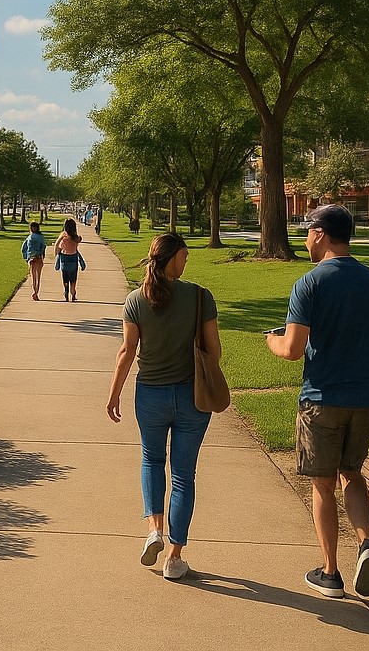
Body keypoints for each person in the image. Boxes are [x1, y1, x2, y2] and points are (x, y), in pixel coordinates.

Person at [266, 204, 369, 600]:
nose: (305, 238)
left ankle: (330, 573)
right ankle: (366, 544)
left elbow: (292, 349)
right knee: (353, 475)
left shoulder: (310, 284)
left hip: (321, 402)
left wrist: (271, 341)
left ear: (321, 233)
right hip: (364, 402)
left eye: (308, 230)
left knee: (323, 485)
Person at [106, 233, 220, 581]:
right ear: (171, 258)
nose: (187, 262)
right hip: (192, 397)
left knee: (152, 460)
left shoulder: (135, 300)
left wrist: (113, 395)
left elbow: (127, 352)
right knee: (184, 476)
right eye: (184, 256)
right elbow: (214, 353)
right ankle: (174, 557)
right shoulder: (200, 297)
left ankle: (154, 530)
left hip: (150, 395)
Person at [54, 218, 86, 301]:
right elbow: (79, 239)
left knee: (65, 276)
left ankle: (66, 290)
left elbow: (57, 246)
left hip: (64, 258)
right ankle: (73, 292)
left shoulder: (63, 236)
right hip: (73, 258)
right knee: (73, 277)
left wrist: (57, 251)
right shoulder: (76, 238)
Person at [21, 222, 48, 300]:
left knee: (33, 277)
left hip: (32, 258)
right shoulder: (40, 237)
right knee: (37, 276)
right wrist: (42, 254)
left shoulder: (29, 237)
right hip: (38, 258)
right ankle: (36, 292)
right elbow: (43, 246)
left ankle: (35, 292)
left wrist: (26, 257)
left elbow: (23, 249)